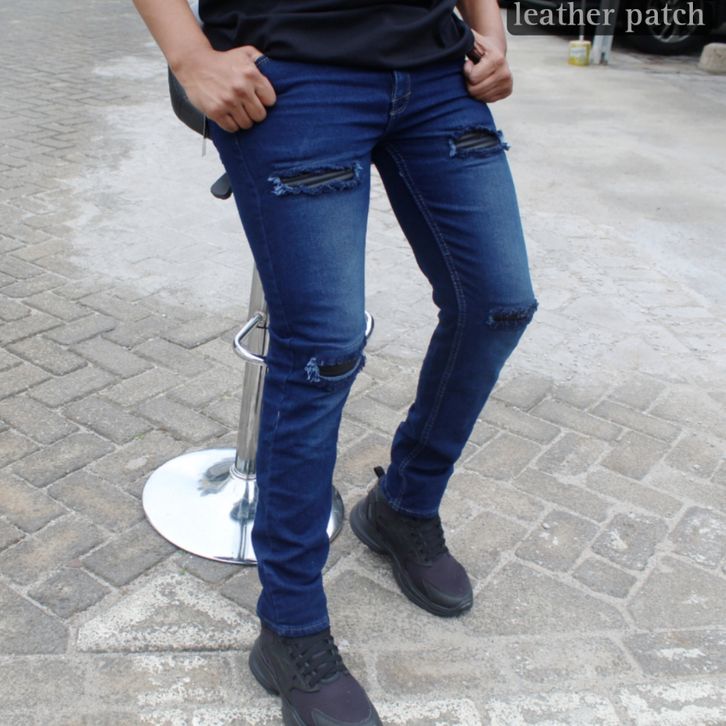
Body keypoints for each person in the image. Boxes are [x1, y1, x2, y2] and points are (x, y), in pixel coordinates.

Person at [132, 1, 538, 724]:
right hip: (292, 69)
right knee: (322, 347)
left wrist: (492, 32)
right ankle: (289, 627)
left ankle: (403, 507)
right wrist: (189, 56)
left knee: (499, 304)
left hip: (438, 68)